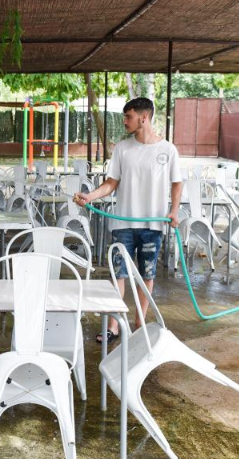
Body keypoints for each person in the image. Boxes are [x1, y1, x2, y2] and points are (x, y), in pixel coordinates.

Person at [74, 97, 183, 343]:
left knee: (147, 275)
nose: (124, 121)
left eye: (128, 117)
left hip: (152, 224)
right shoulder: (123, 149)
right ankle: (114, 326)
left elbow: (177, 183)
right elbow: (111, 183)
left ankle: (139, 323)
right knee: (118, 275)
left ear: (143, 118)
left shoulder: (168, 150)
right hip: (123, 223)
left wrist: (174, 211)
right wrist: (89, 197)